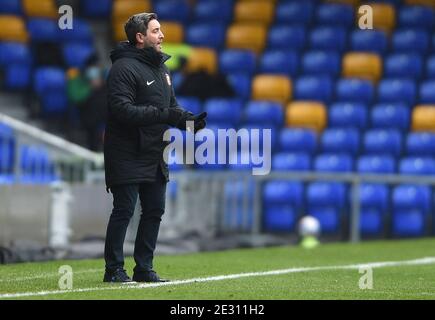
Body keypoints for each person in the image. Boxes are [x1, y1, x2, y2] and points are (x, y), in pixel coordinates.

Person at [103, 12, 207, 283]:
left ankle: (143, 268)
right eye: (156, 31)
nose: (162, 36)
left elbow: (170, 108)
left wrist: (189, 123)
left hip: (154, 152)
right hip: (125, 151)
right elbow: (122, 110)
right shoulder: (122, 68)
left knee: (154, 210)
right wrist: (165, 115)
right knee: (124, 210)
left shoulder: (162, 69)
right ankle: (114, 269)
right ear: (140, 37)